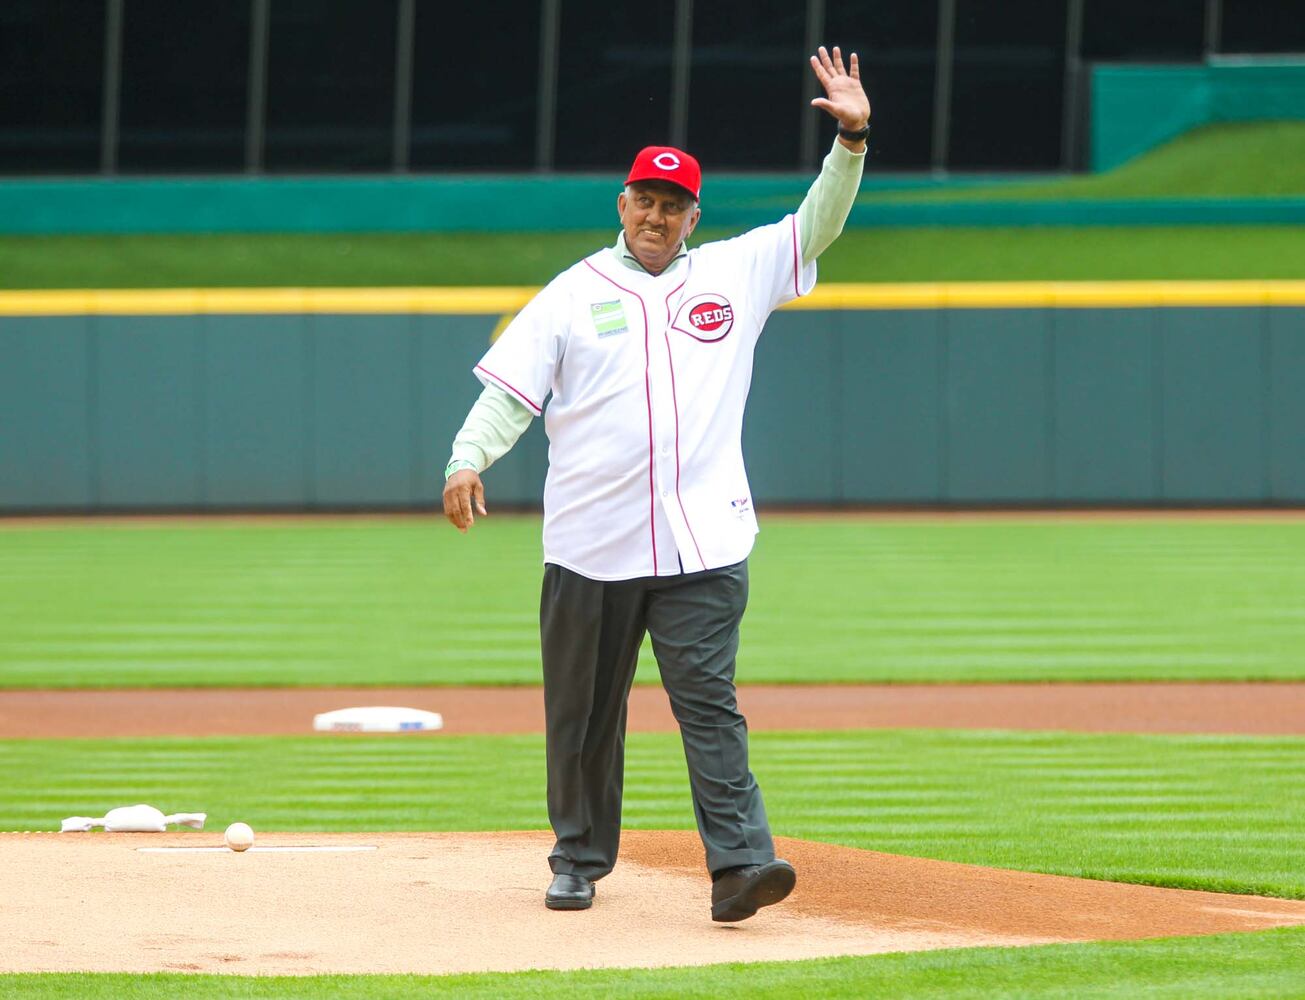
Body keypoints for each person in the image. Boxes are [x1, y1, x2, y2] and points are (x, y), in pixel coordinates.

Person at [443, 46, 869, 922]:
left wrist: (852, 142)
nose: (656, 213)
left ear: (691, 215)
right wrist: (466, 459)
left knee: (709, 706)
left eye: (672, 204)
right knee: (584, 717)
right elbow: (509, 393)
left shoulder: (732, 273)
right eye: (645, 197)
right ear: (622, 203)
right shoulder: (571, 293)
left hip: (703, 540)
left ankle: (741, 866)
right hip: (589, 546)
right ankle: (577, 858)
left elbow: (814, 225)